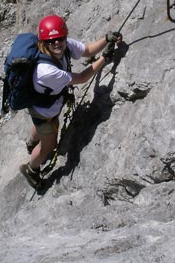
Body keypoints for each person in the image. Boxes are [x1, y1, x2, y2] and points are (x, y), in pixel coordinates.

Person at [19, 15, 122, 188]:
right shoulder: (45, 70)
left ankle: (31, 142)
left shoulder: (62, 46)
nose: (57, 43)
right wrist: (104, 59)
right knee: (48, 145)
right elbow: (81, 78)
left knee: (40, 124)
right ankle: (31, 168)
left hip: (43, 106)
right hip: (46, 110)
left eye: (60, 38)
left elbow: (87, 50)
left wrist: (106, 39)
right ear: (44, 42)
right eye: (52, 41)